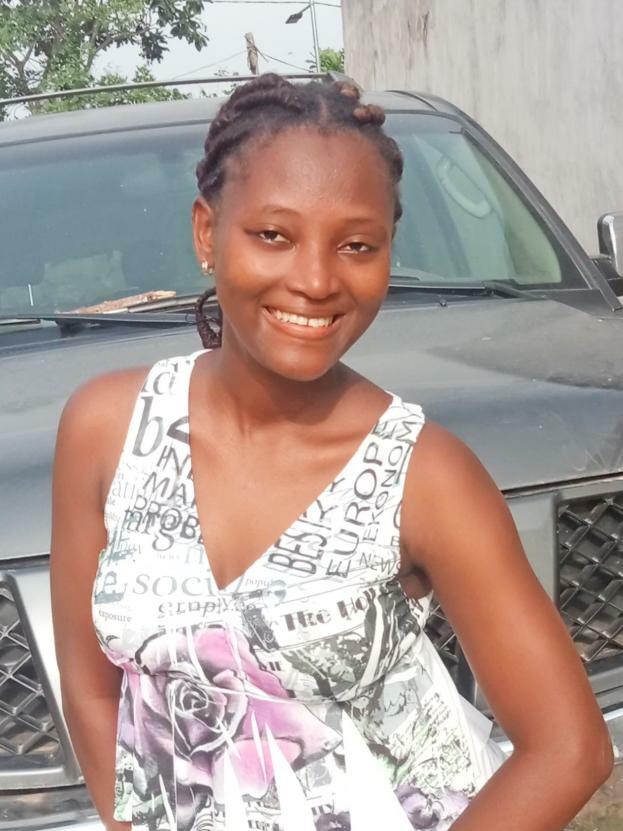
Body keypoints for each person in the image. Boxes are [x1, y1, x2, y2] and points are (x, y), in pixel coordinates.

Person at [50, 73, 612, 831]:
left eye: (356, 245)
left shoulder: (425, 474)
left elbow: (569, 747)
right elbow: (93, 690)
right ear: (207, 233)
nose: (315, 280)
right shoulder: (107, 429)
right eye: (273, 236)